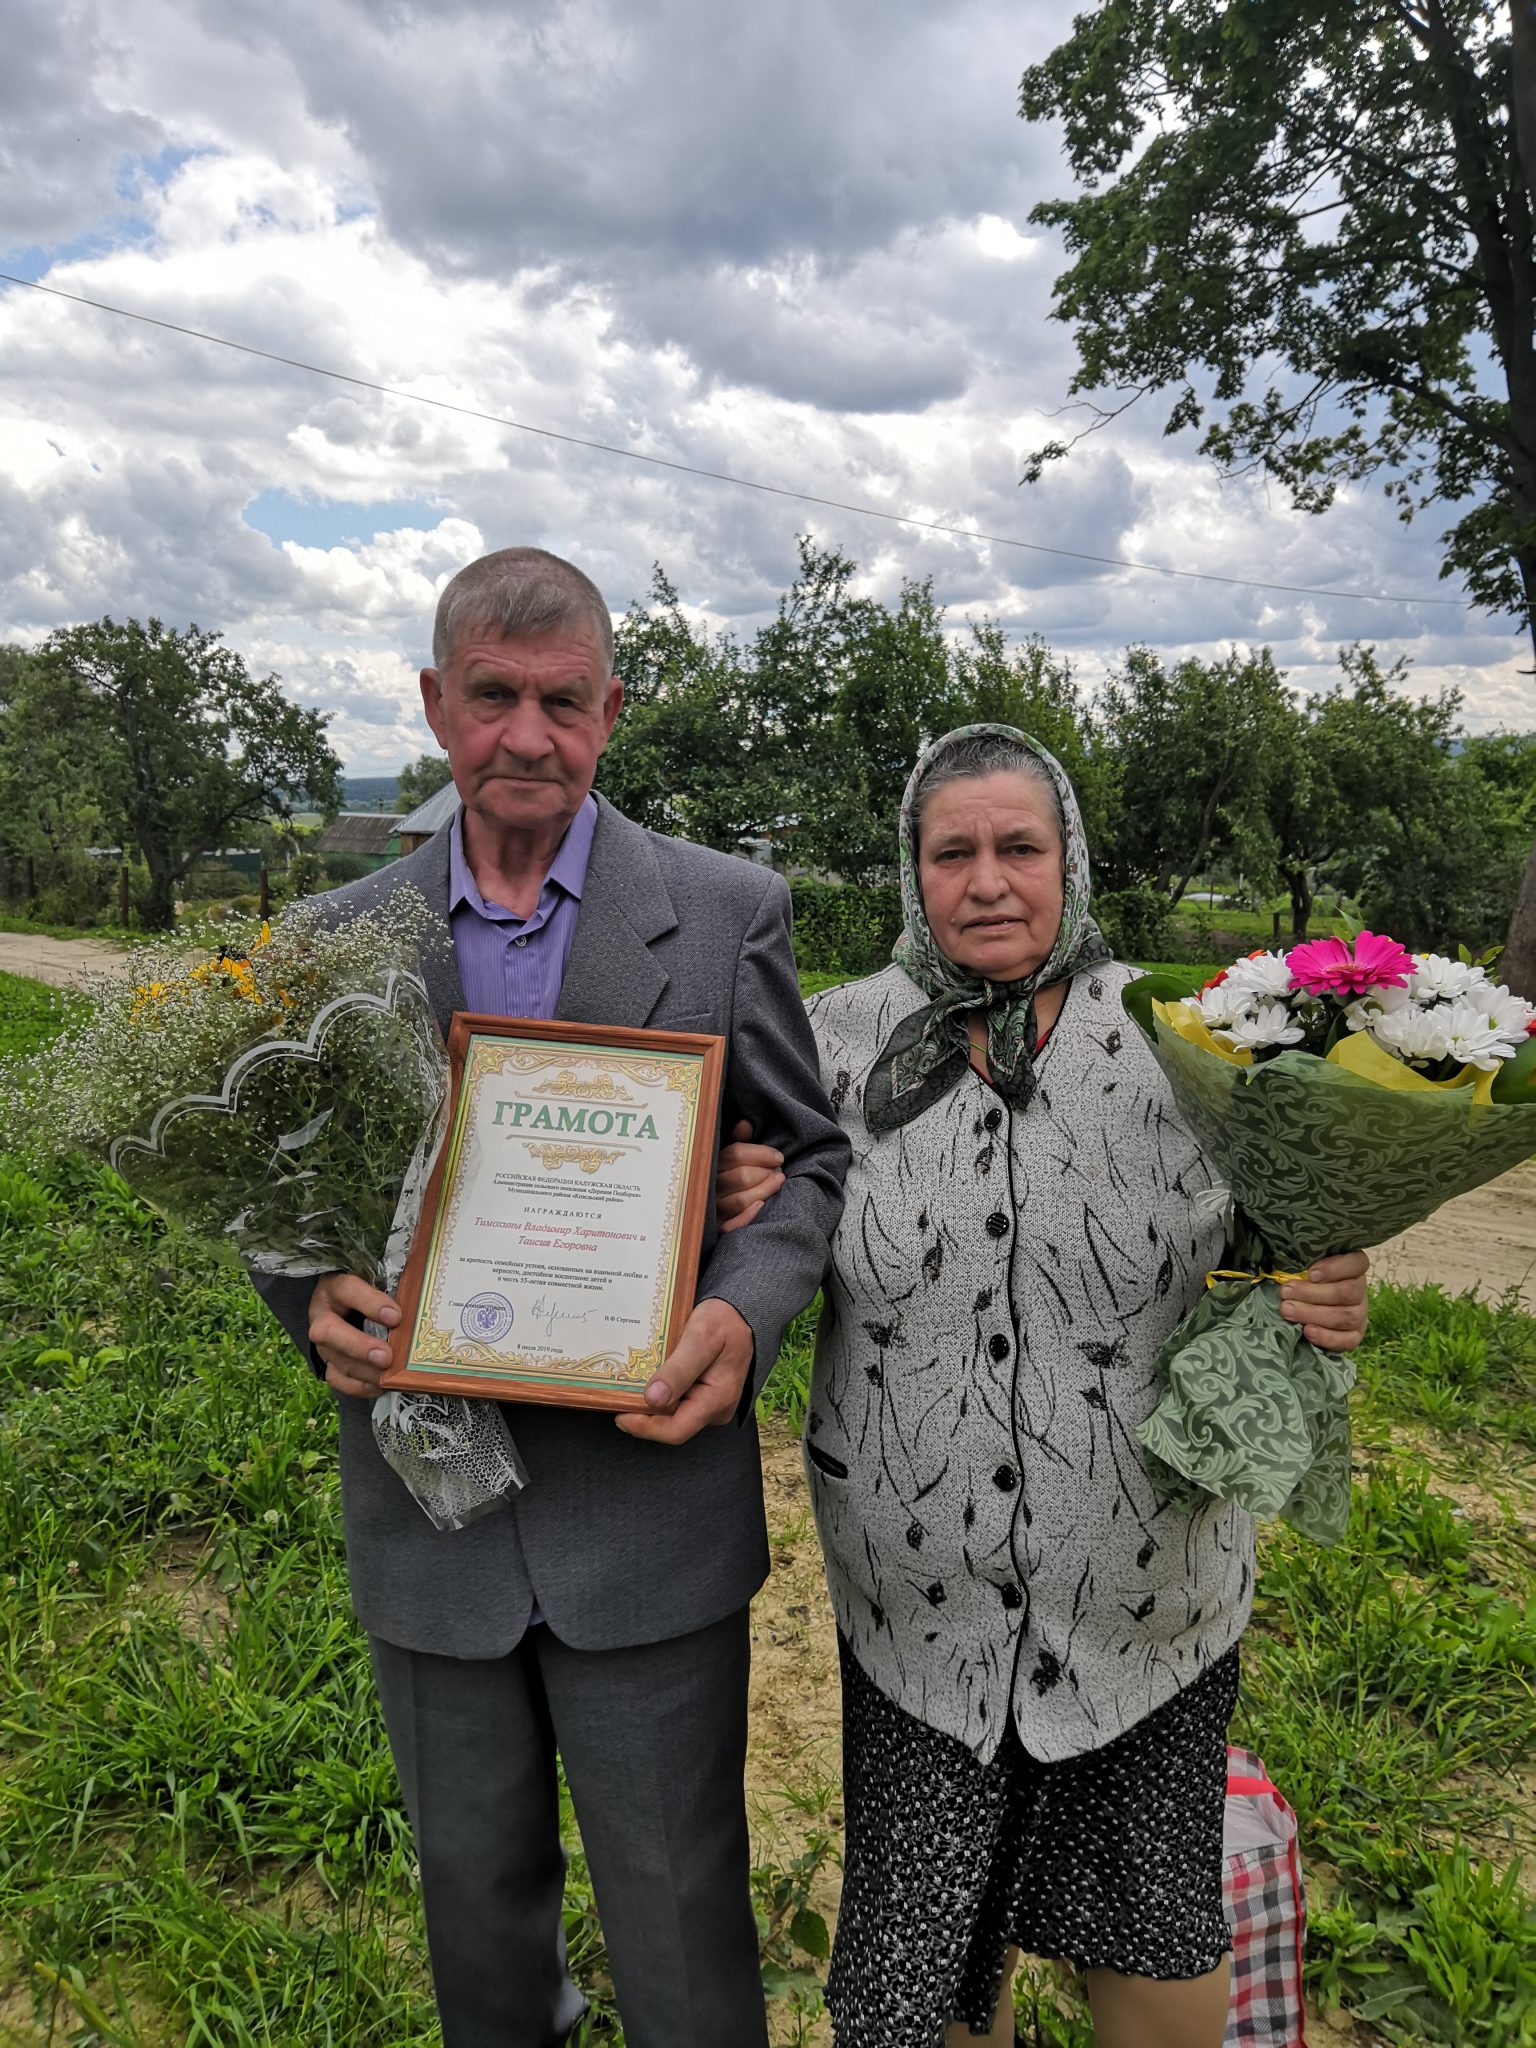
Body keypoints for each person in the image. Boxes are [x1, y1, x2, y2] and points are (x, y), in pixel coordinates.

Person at [249, 547, 849, 2048]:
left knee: (683, 1920)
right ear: (434, 703)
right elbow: (275, 1193)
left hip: (646, 1516)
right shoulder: (330, 940)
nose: (529, 735)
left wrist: (745, 1306)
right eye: (494, 696)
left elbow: (808, 1162)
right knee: (474, 1914)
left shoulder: (724, 910)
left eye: (564, 701)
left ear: (611, 709)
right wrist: (307, 1292)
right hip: (431, 1526)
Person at [716, 724, 1368, 2048]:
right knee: (937, 1970)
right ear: (912, 871)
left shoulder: (1193, 1038)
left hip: (1146, 1596)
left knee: (1150, 1937)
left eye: (1020, 846)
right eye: (950, 852)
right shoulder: (829, 1043)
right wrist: (738, 1206)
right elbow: (765, 1247)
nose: (987, 882)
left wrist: (1327, 1279)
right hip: (915, 1612)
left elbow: (1281, 1244)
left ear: (1070, 857)